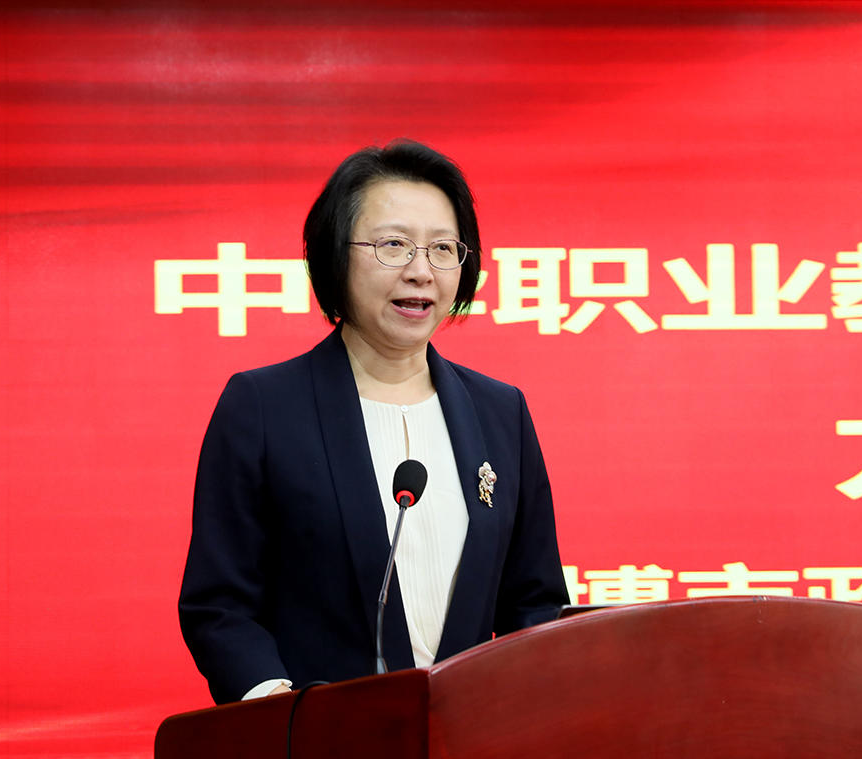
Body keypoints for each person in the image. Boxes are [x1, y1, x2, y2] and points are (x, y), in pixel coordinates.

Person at [178, 140, 570, 705]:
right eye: (393, 245)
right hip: (319, 733)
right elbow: (219, 605)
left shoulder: (500, 411)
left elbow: (533, 600)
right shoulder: (263, 406)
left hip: (469, 733)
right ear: (335, 255)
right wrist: (280, 710)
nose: (421, 271)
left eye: (443, 248)